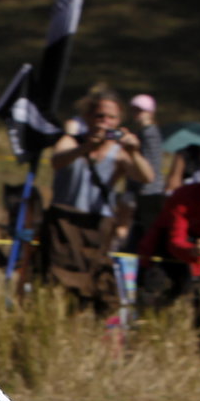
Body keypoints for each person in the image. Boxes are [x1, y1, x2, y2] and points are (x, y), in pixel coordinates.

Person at [40, 90, 155, 312]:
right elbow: (57, 161)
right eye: (100, 116)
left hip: (97, 227)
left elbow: (146, 177)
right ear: (88, 117)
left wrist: (135, 152)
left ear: (119, 121)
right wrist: (86, 147)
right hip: (64, 224)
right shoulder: (70, 141)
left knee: (95, 282)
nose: (104, 122)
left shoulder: (119, 152)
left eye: (111, 118)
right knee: (58, 281)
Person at [137, 150, 200, 312]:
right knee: (155, 297)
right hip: (165, 250)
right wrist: (193, 250)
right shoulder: (184, 195)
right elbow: (174, 240)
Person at [127, 93, 166, 248]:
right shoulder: (144, 132)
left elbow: (149, 166)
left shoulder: (149, 133)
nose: (138, 114)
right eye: (135, 110)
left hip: (149, 192)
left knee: (146, 236)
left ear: (150, 112)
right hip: (145, 191)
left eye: (141, 110)